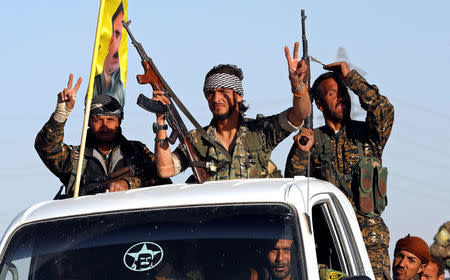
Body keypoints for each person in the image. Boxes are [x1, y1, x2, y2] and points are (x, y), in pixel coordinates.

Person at [284, 61, 394, 280]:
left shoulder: (368, 136)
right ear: (319, 104)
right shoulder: (311, 139)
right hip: (329, 243)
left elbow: (384, 109)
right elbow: (292, 184)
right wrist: (303, 150)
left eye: (344, 93)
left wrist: (351, 78)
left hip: (370, 244)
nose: (342, 98)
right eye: (333, 94)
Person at [152, 42, 311, 181]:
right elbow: (166, 169)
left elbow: (300, 115)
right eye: (211, 93)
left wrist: (298, 85)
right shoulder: (197, 139)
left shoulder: (259, 131)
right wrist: (161, 122)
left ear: (239, 96)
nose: (216, 98)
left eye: (223, 92)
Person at [35, 74, 170, 197]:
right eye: (98, 119)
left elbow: (163, 177)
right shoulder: (77, 158)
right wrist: (61, 114)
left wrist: (129, 184)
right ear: (89, 122)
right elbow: (46, 148)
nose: (104, 125)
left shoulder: (136, 151)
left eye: (110, 119)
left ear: (120, 121)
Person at [93, 1, 126, 107]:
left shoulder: (119, 88)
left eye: (118, 35)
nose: (115, 43)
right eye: (112, 34)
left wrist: (160, 122)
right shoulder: (94, 85)